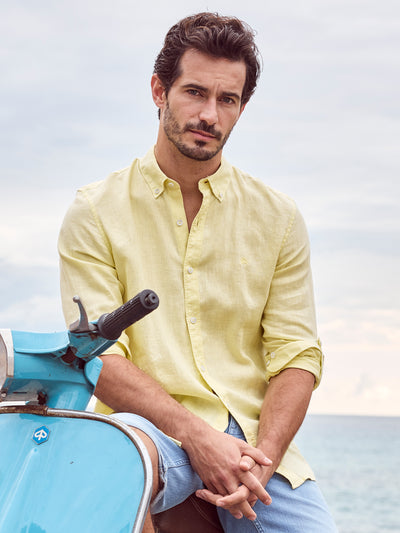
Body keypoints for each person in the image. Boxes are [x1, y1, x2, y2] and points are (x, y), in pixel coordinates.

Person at [58, 12, 337, 533]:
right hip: (151, 430)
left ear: (241, 108)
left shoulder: (278, 217)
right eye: (194, 92)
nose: (209, 114)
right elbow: (102, 358)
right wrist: (198, 436)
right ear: (158, 91)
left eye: (227, 99)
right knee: (117, 464)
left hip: (254, 443)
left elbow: (297, 354)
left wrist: (264, 458)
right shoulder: (94, 211)